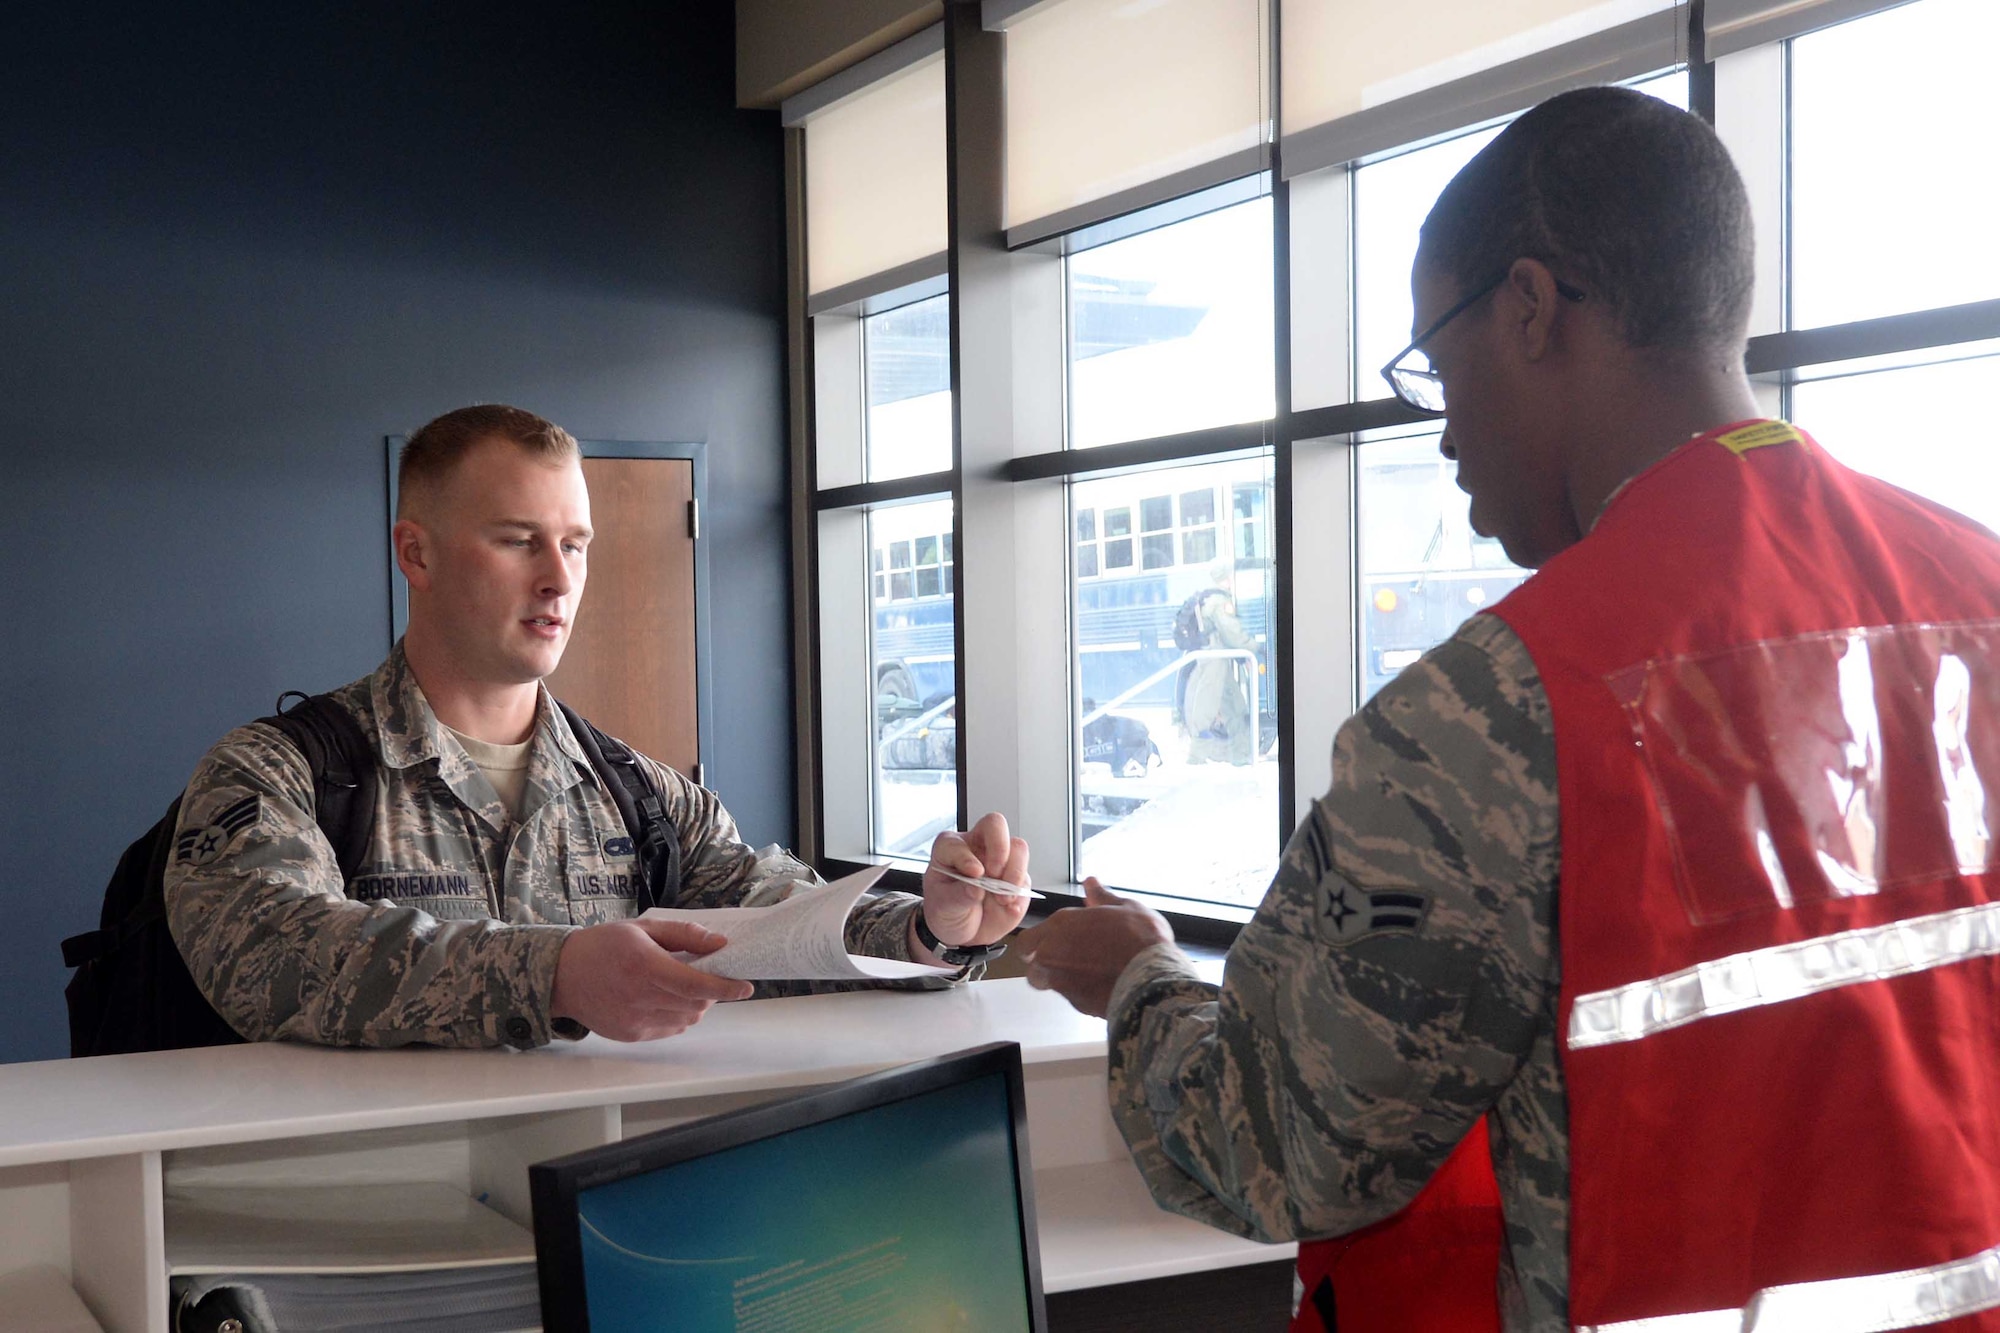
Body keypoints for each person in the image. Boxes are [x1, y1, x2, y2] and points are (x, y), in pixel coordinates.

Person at [1017, 85, 2000, 1332]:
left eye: (1434, 359)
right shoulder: (1978, 596)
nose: (1438, 435)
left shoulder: (1499, 709)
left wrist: (1137, 981)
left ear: (1529, 309)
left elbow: (1275, 1144)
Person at [164, 404, 1031, 1049]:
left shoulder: (640, 795)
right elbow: (273, 959)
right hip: (365, 1232)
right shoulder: (277, 775)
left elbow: (783, 921)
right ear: (415, 553)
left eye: (574, 544)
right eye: (516, 540)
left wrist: (931, 928)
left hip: (599, 1203)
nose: (557, 579)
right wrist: (557, 974)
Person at [1179, 562, 1255, 766]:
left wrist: (1240, 656)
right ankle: (1196, 758)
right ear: (1226, 577)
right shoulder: (1219, 600)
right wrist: (1254, 648)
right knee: (1207, 707)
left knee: (1234, 706)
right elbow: (1232, 633)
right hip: (1216, 660)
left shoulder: (1206, 597)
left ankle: (1241, 755)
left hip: (1216, 657)